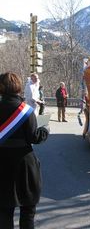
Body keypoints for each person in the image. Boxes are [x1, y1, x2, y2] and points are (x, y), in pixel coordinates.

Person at [0, 72, 49, 229]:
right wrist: (45, 130)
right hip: (25, 164)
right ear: (18, 87)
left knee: (4, 211)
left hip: (2, 163)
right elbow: (34, 137)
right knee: (27, 210)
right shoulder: (25, 110)